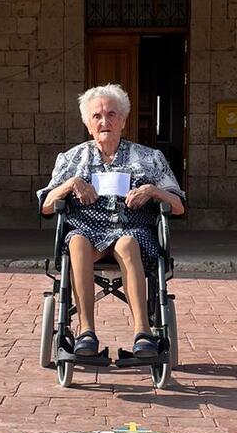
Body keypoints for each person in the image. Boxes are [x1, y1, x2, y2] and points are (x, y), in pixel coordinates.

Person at [38, 83, 186, 358]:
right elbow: (47, 206)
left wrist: (151, 190)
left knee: (128, 244)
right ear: (87, 122)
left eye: (112, 114)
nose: (104, 121)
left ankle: (143, 334)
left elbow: (177, 206)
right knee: (77, 243)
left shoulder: (150, 158)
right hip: (87, 229)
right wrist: (72, 184)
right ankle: (86, 333)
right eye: (97, 116)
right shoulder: (72, 159)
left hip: (131, 228)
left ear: (123, 120)